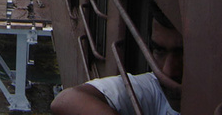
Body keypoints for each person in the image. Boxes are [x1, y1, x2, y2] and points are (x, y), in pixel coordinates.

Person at [51, 7, 183, 115]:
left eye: (182, 54)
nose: (168, 70)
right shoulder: (155, 90)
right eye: (159, 51)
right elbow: (65, 100)